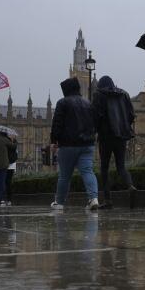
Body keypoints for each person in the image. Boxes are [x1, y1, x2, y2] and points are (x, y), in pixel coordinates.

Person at [50, 77, 99, 211]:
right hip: (87, 145)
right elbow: (95, 123)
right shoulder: (88, 103)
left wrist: (54, 141)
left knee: (65, 176)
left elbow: (57, 124)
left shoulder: (63, 102)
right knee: (88, 171)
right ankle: (93, 198)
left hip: (68, 145)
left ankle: (59, 203)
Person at [92, 75, 138, 209]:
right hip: (121, 136)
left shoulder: (98, 95)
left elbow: (96, 116)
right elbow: (131, 115)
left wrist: (96, 131)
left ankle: (108, 200)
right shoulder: (123, 94)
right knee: (121, 166)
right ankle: (130, 186)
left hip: (106, 137)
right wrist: (123, 127)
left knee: (104, 169)